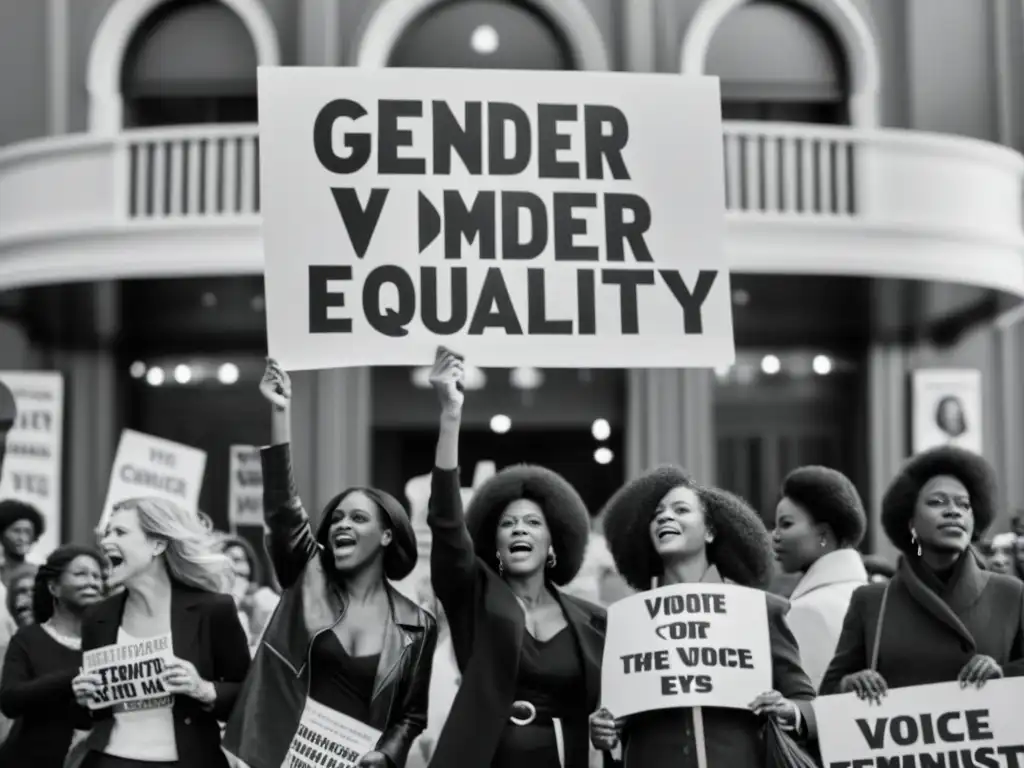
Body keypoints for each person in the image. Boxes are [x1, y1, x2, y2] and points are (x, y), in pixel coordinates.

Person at [223, 359, 436, 768]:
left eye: (358, 518)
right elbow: (284, 511)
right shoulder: (308, 575)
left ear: (387, 535)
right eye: (336, 517)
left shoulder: (419, 625)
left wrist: (387, 756)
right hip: (272, 757)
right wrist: (280, 414)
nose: (342, 524)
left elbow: (411, 716)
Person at [427, 348, 606, 768]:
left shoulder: (595, 621)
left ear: (554, 542)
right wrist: (450, 416)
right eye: (508, 524)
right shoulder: (474, 599)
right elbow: (448, 527)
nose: (520, 529)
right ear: (495, 543)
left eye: (532, 523)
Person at [589, 465, 816, 768]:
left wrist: (790, 710)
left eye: (681, 509)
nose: (665, 517)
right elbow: (611, 719)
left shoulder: (758, 611)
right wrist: (604, 732)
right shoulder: (626, 622)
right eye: (656, 514)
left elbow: (806, 702)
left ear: (709, 531)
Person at [820, 446, 1024, 699]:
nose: (954, 511)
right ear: (911, 522)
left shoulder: (1011, 594)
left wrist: (1003, 675)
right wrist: (850, 684)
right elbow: (827, 693)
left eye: (964, 505)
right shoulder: (871, 601)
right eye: (937, 502)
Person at [69, 497, 251, 768]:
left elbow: (248, 696)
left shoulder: (214, 610)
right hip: (108, 761)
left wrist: (203, 689)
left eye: (120, 532)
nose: (105, 542)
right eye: (107, 533)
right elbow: (90, 717)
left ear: (158, 544)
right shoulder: (98, 616)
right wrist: (83, 698)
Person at [0, 544, 105, 766]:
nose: (92, 582)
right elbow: (10, 699)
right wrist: (71, 680)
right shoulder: (27, 639)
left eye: (97, 576)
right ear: (54, 587)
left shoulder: (109, 642)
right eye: (81, 574)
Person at [771, 466, 869, 689]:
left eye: (786, 524)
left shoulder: (809, 610)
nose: (775, 536)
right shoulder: (868, 593)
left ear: (823, 534)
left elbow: (808, 705)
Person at [216, 534, 280, 648]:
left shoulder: (265, 600)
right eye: (225, 561)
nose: (233, 567)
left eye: (237, 560)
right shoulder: (211, 608)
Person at [0, 499, 45, 587]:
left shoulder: (39, 574)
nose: (22, 538)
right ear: (2, 534)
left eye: (28, 532)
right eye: (16, 531)